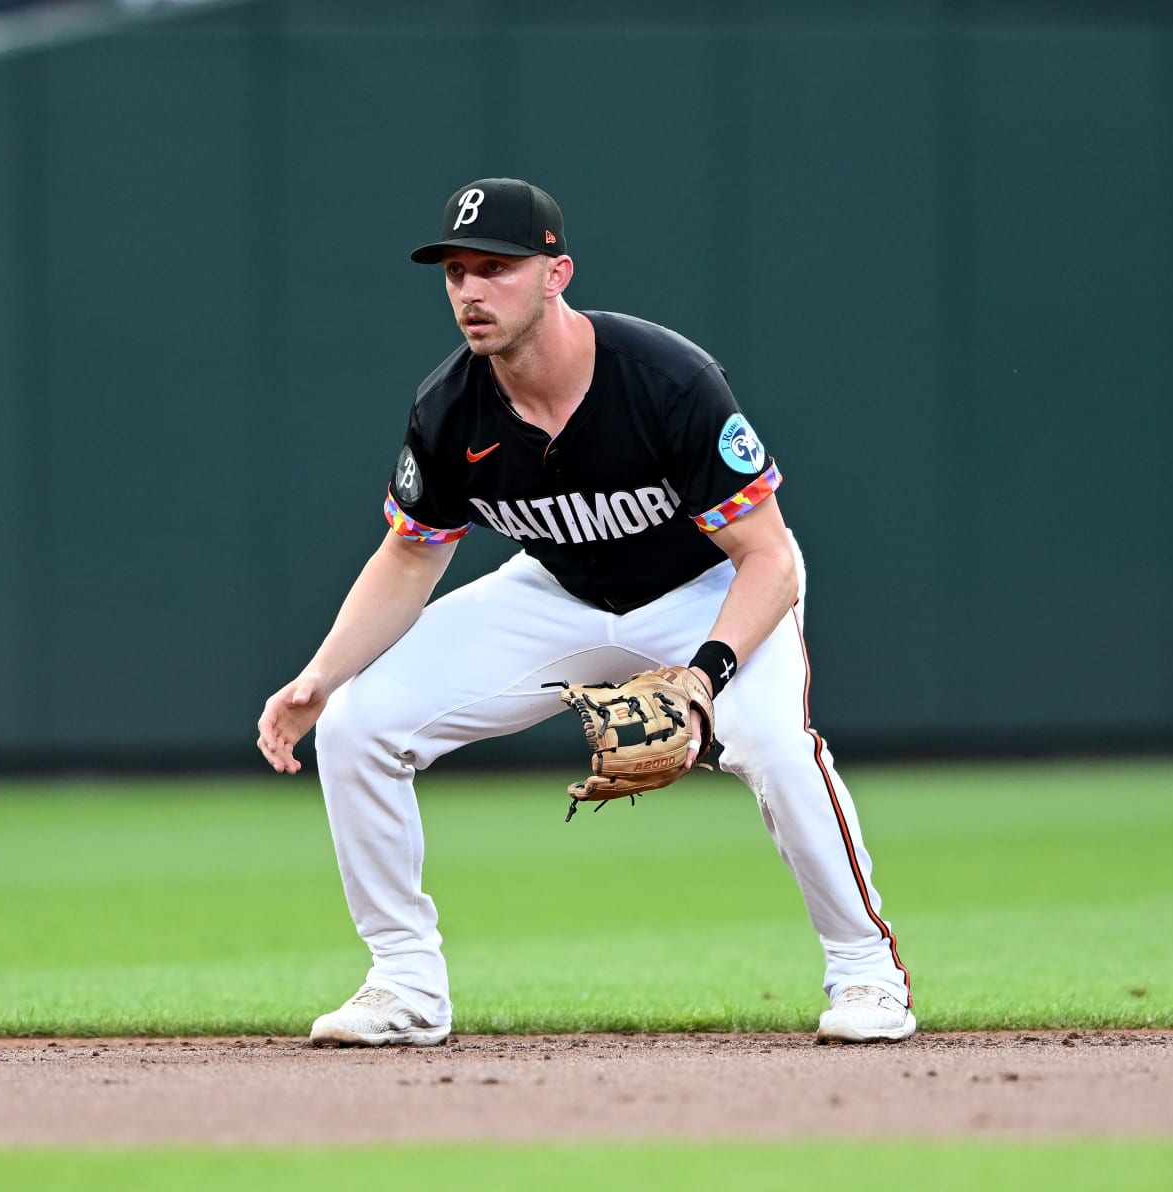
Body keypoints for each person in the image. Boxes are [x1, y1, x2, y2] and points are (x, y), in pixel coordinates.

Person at [256, 178, 913, 1047]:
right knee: (356, 726)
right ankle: (404, 985)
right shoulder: (449, 407)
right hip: (558, 595)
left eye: (496, 267)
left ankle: (866, 974)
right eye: (455, 272)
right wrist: (319, 676)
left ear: (556, 273)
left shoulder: (668, 379)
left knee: (775, 747)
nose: (470, 291)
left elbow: (771, 558)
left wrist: (704, 675)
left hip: (706, 596)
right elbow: (413, 552)